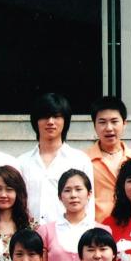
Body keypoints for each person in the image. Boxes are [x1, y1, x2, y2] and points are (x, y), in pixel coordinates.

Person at [19, 92, 93, 226]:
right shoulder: (21, 162)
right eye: (44, 117)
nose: (50, 122)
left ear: (65, 121)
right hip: (30, 235)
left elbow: (89, 205)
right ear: (35, 121)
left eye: (56, 116)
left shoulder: (80, 160)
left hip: (67, 234)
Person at [38, 169, 106, 261]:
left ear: (89, 194)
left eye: (78, 189)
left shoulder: (102, 230)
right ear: (60, 196)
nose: (73, 195)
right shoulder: (45, 231)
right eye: (67, 190)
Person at [88, 96, 131, 223]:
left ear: (124, 124)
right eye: (102, 122)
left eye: (114, 121)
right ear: (94, 125)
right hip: (97, 228)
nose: (109, 128)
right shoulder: (83, 159)